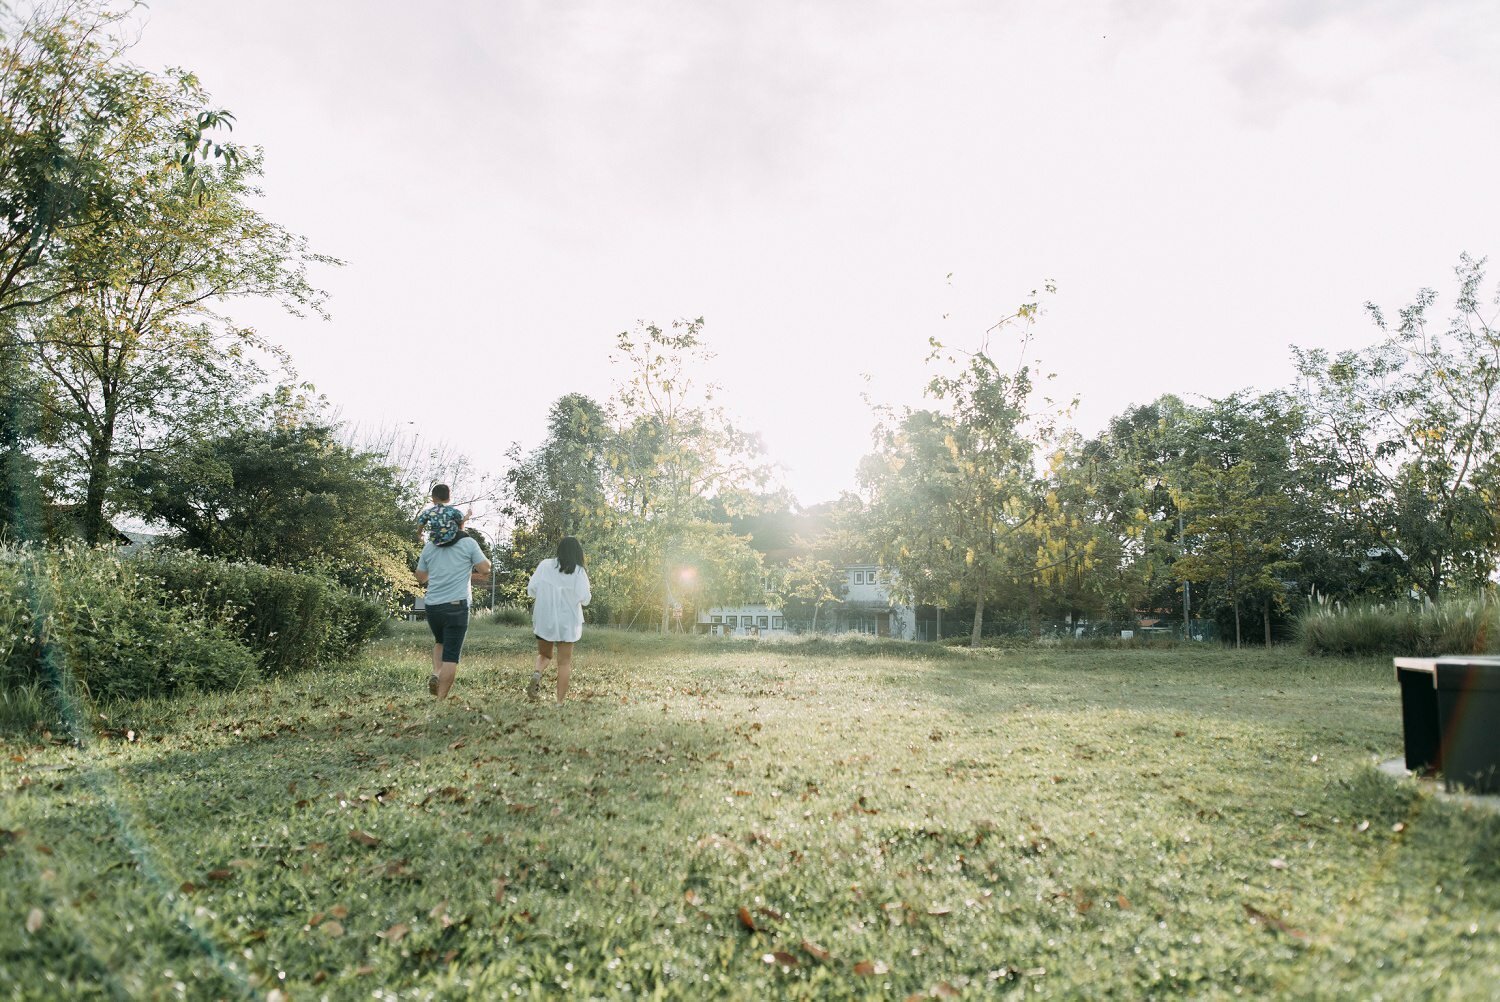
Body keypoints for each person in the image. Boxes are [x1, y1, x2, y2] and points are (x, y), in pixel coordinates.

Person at [415, 526, 490, 699]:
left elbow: (420, 577)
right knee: (451, 656)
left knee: (440, 641)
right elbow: (485, 569)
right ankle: (440, 701)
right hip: (456, 605)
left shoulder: (430, 546)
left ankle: (436, 673)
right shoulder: (468, 544)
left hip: (433, 606)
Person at [526, 536, 591, 703]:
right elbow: (585, 599)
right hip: (567, 622)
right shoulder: (578, 571)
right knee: (564, 663)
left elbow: (531, 589)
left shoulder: (545, 565)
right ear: (578, 553)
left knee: (544, 655)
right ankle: (559, 703)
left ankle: (537, 673)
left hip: (545, 618)